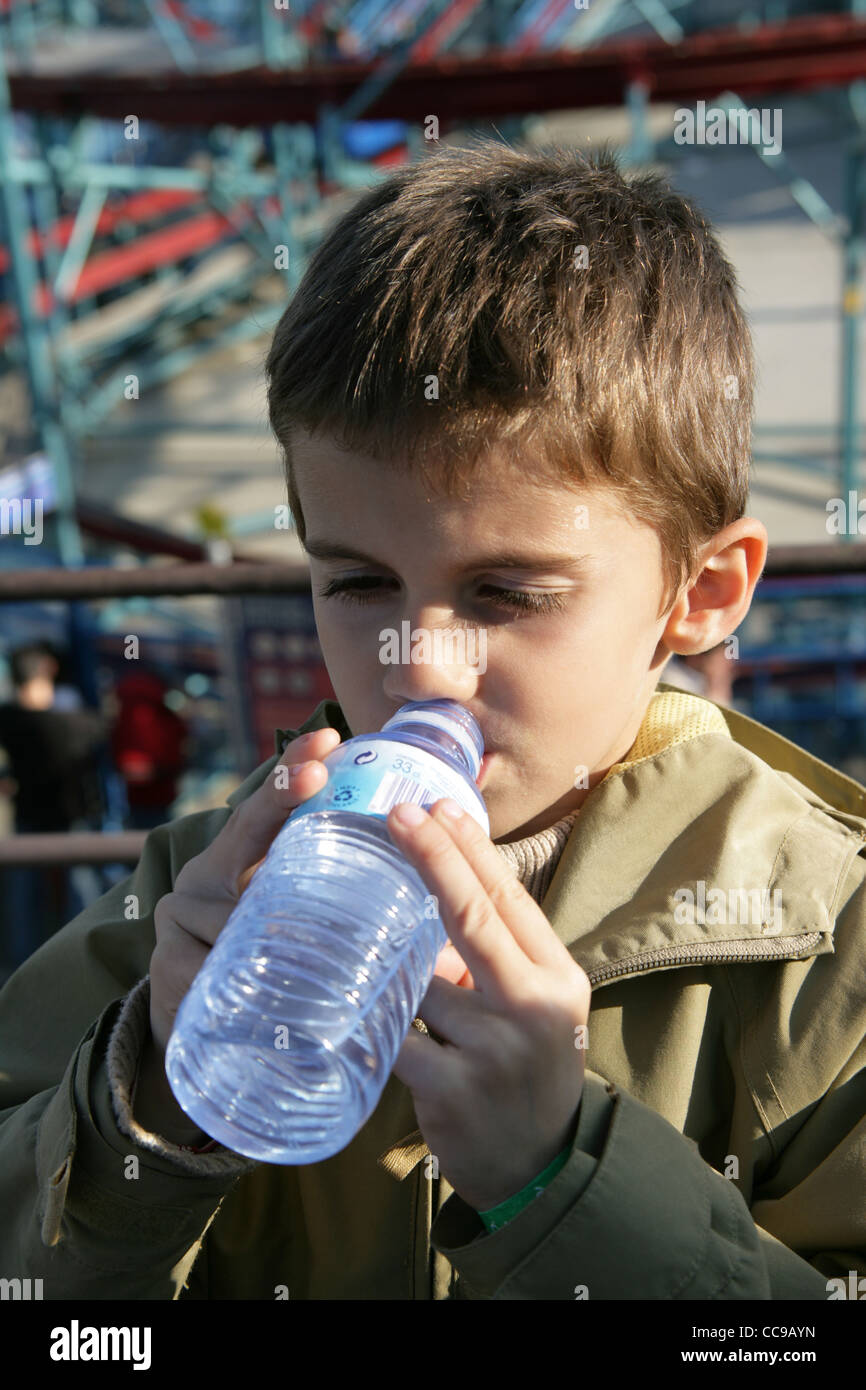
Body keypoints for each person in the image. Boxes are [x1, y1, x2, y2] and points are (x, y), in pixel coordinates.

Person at [0, 140, 864, 1300]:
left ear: (696, 594)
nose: (424, 666)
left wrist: (563, 1185)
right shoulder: (186, 891)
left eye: (508, 594)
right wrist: (141, 1106)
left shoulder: (826, 940)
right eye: (357, 582)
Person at [0, 643, 106, 970]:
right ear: (46, 673)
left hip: (28, 821)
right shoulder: (74, 723)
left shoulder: (9, 720)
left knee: (24, 901)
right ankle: (92, 960)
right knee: (84, 894)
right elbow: (98, 728)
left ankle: (23, 970)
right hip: (73, 820)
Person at [110, 671, 189, 831]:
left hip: (136, 796)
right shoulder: (165, 715)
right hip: (160, 794)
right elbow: (178, 750)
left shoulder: (125, 715)